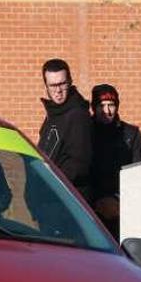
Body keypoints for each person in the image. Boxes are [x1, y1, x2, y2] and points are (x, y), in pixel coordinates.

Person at [90, 84, 141, 239]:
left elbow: (138, 174)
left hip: (121, 212)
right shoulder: (85, 132)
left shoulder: (131, 135)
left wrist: (118, 201)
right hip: (90, 210)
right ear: (94, 107)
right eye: (102, 105)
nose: (107, 111)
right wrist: (96, 201)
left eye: (111, 105)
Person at [37, 58, 93, 201]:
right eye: (53, 86)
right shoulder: (53, 113)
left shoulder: (78, 115)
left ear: (70, 82)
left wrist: (50, 182)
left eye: (62, 84)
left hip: (69, 199)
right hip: (49, 197)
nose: (58, 91)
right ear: (46, 86)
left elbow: (79, 164)